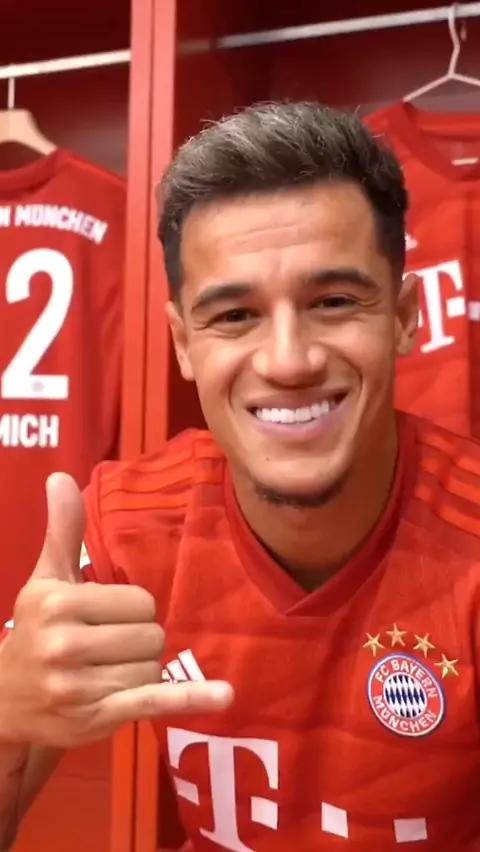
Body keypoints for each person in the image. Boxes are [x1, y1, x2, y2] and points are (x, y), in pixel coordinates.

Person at [0, 100, 478, 852]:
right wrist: (5, 722)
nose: (288, 361)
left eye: (333, 302)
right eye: (234, 316)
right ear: (182, 344)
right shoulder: (127, 523)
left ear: (404, 316)